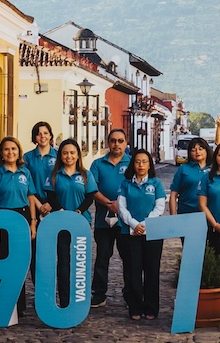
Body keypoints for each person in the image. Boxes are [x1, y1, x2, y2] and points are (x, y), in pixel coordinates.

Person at [0, 135, 38, 324]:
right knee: (1, 263)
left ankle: (18, 306)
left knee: (18, 264)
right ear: (1, 153)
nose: (10, 152)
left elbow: (30, 199)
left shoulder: (25, 172)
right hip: (1, 217)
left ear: (19, 152)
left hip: (21, 219)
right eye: (6, 149)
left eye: (14, 149)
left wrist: (33, 221)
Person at [117, 148, 168, 321]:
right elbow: (121, 208)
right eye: (137, 161)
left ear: (149, 164)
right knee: (133, 271)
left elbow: (160, 207)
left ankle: (151, 308)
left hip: (152, 232)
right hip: (129, 233)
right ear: (133, 164)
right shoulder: (125, 184)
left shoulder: (156, 184)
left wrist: (144, 224)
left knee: (152, 270)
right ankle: (135, 307)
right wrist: (133, 224)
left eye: (144, 161)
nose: (141, 165)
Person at [44, 138, 93, 308]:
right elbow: (50, 196)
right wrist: (60, 210)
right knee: (63, 262)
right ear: (60, 156)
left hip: (81, 223)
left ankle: (80, 300)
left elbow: (90, 196)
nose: (69, 156)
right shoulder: (54, 175)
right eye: (65, 153)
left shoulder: (85, 174)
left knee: (80, 264)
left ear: (78, 155)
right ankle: (64, 300)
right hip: (60, 223)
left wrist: (79, 211)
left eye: (72, 152)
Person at [86, 126, 131, 309]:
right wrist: (108, 203)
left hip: (127, 221)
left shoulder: (131, 162)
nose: (116, 144)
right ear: (108, 143)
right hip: (103, 220)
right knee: (102, 257)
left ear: (126, 143)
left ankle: (131, 293)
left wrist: (120, 206)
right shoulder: (97, 164)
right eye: (113, 141)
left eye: (120, 141)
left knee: (129, 258)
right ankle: (99, 294)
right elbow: (92, 189)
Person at [169, 136, 209, 215]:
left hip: (209, 214)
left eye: (200, 149)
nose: (197, 152)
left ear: (207, 150)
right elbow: (173, 195)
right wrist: (173, 217)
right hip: (186, 213)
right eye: (193, 150)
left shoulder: (213, 169)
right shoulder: (183, 168)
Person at [26, 121, 56, 210]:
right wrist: (39, 205)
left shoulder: (59, 156)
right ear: (34, 137)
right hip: (33, 202)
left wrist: (51, 203)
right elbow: (26, 184)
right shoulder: (27, 157)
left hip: (55, 202)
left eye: (46, 133)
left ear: (50, 135)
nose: (43, 136)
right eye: (38, 134)